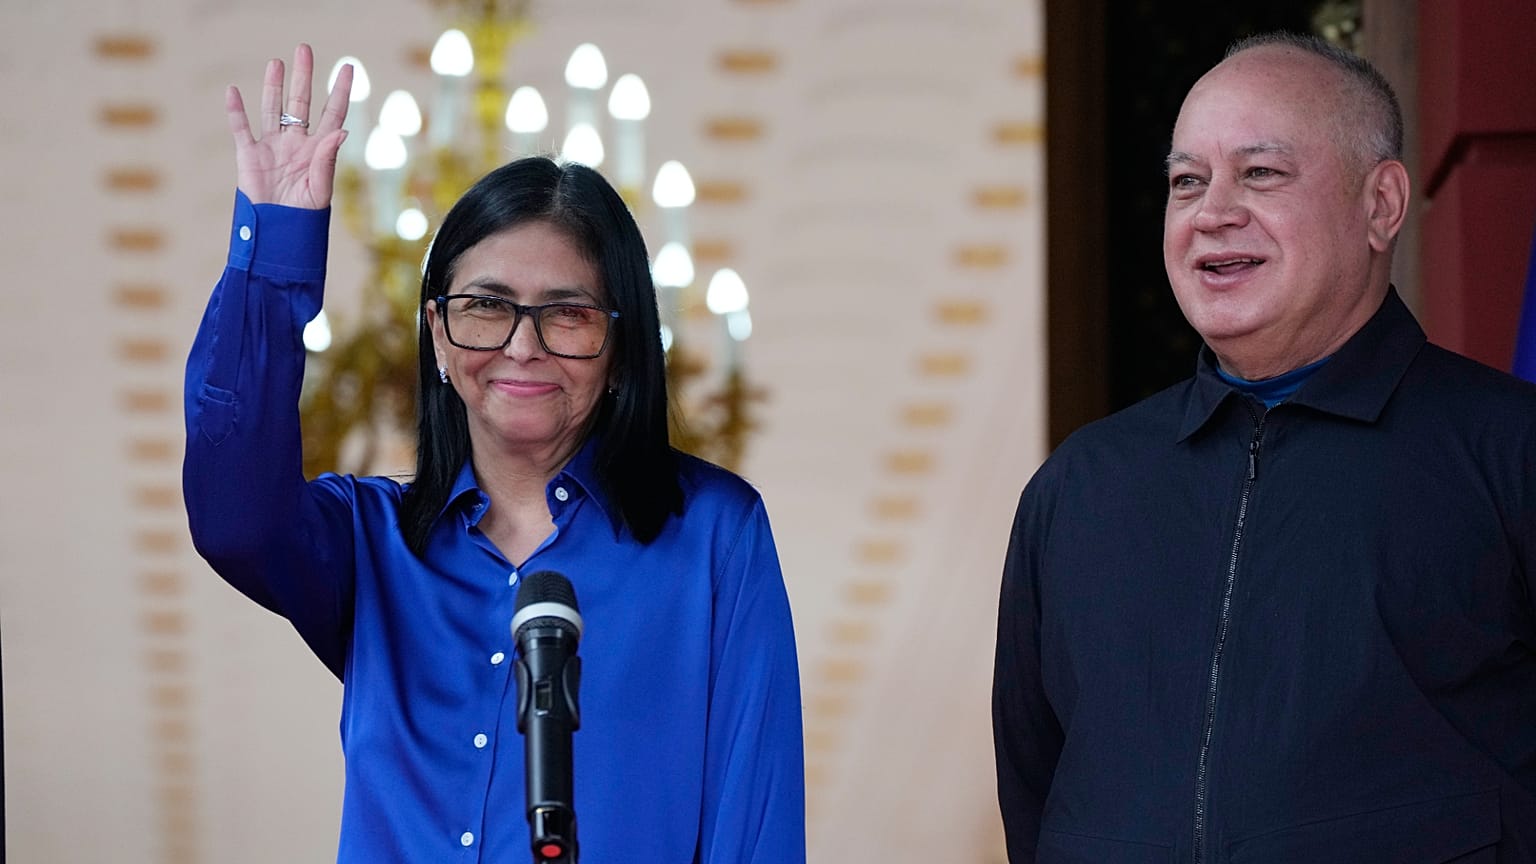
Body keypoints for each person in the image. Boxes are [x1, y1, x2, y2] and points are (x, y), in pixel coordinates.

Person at [184, 44, 805, 863]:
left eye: (568, 314)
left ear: (622, 346)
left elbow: (755, 821)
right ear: (438, 335)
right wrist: (273, 257)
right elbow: (234, 519)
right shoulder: (370, 539)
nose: (522, 346)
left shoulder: (715, 535)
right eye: (485, 306)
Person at [992, 31, 1536, 863]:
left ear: (1381, 205)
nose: (1212, 213)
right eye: (1187, 181)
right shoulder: (1080, 487)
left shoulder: (1509, 452)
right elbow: (1037, 793)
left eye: (1261, 173)